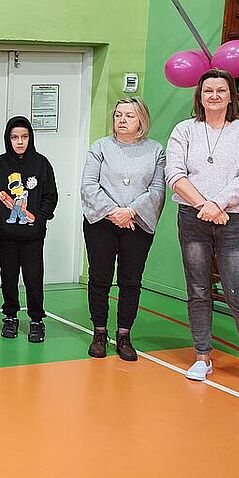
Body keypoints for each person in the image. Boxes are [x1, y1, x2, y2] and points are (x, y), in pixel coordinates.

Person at [165, 68, 239, 393]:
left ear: (230, 96)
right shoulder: (184, 130)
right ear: (199, 96)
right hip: (192, 217)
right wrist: (203, 206)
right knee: (198, 288)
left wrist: (219, 204)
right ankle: (202, 356)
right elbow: (174, 173)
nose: (214, 96)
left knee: (237, 290)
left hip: (233, 220)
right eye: (208, 90)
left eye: (221, 90)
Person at [80, 97, 166, 361]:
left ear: (141, 120)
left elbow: (158, 189)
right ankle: (99, 332)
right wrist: (113, 212)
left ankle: (124, 335)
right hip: (101, 222)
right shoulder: (100, 147)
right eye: (118, 115)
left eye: (129, 116)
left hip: (137, 223)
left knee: (130, 280)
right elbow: (89, 185)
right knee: (99, 278)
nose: (122, 120)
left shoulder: (155, 150)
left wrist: (131, 212)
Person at [0, 116, 58, 343]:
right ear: (8, 139)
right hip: (7, 236)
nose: (20, 141)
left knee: (33, 278)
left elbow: (50, 196)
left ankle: (36, 320)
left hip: (33, 236)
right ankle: (10, 316)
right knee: (8, 277)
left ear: (30, 138)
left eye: (24, 137)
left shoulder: (41, 163)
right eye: (15, 137)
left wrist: (40, 219)